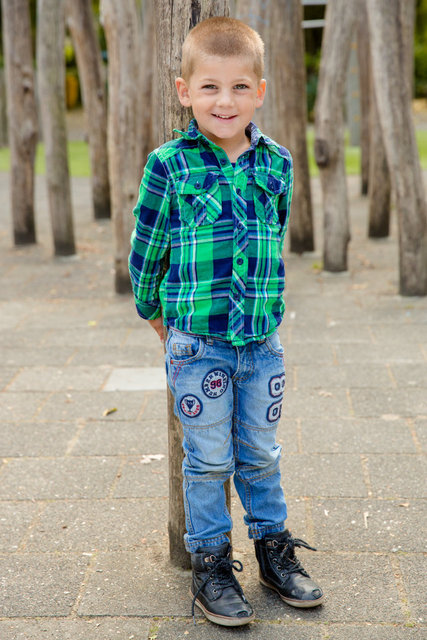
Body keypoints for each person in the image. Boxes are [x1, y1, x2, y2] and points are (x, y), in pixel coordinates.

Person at [129, 16, 324, 627]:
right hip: (198, 347)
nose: (225, 100)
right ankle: (212, 562)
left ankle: (273, 550)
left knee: (261, 453)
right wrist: (154, 311)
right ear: (185, 91)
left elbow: (276, 234)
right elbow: (147, 245)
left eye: (240, 87)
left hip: (261, 345)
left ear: (260, 92)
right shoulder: (170, 165)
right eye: (210, 87)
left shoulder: (278, 164)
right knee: (208, 459)